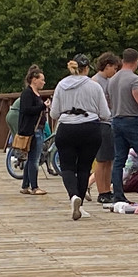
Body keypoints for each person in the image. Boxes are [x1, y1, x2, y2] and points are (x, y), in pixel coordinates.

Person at [51, 54, 110, 220]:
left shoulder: (61, 85)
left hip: (67, 129)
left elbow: (54, 112)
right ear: (87, 68)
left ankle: (73, 196)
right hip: (90, 128)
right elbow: (105, 114)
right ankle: (81, 204)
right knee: (84, 167)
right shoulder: (94, 86)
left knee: (67, 167)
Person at [108, 48, 138, 205]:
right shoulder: (134, 79)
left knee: (118, 160)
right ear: (136, 61)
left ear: (123, 61)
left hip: (116, 120)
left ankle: (118, 195)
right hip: (133, 121)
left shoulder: (112, 80)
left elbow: (109, 101)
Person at [91, 52, 121, 205]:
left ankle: (107, 190)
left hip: (108, 122)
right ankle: (101, 192)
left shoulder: (107, 81)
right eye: (114, 68)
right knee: (101, 160)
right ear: (107, 66)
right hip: (100, 123)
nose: (115, 72)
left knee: (109, 159)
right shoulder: (96, 82)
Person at [17, 65, 49, 196]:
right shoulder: (27, 93)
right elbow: (26, 110)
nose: (43, 82)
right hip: (33, 130)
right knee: (34, 160)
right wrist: (42, 106)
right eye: (42, 79)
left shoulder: (35, 93)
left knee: (31, 159)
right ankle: (34, 187)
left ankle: (25, 186)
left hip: (37, 129)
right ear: (34, 80)